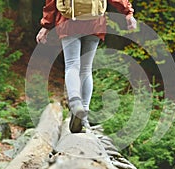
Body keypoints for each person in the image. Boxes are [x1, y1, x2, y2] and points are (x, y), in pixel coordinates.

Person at [36, 0, 137, 133]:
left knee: (72, 64)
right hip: (95, 21)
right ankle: (84, 117)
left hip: (69, 21)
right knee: (86, 69)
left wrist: (46, 25)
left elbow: (51, 2)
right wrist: (128, 13)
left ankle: (75, 103)